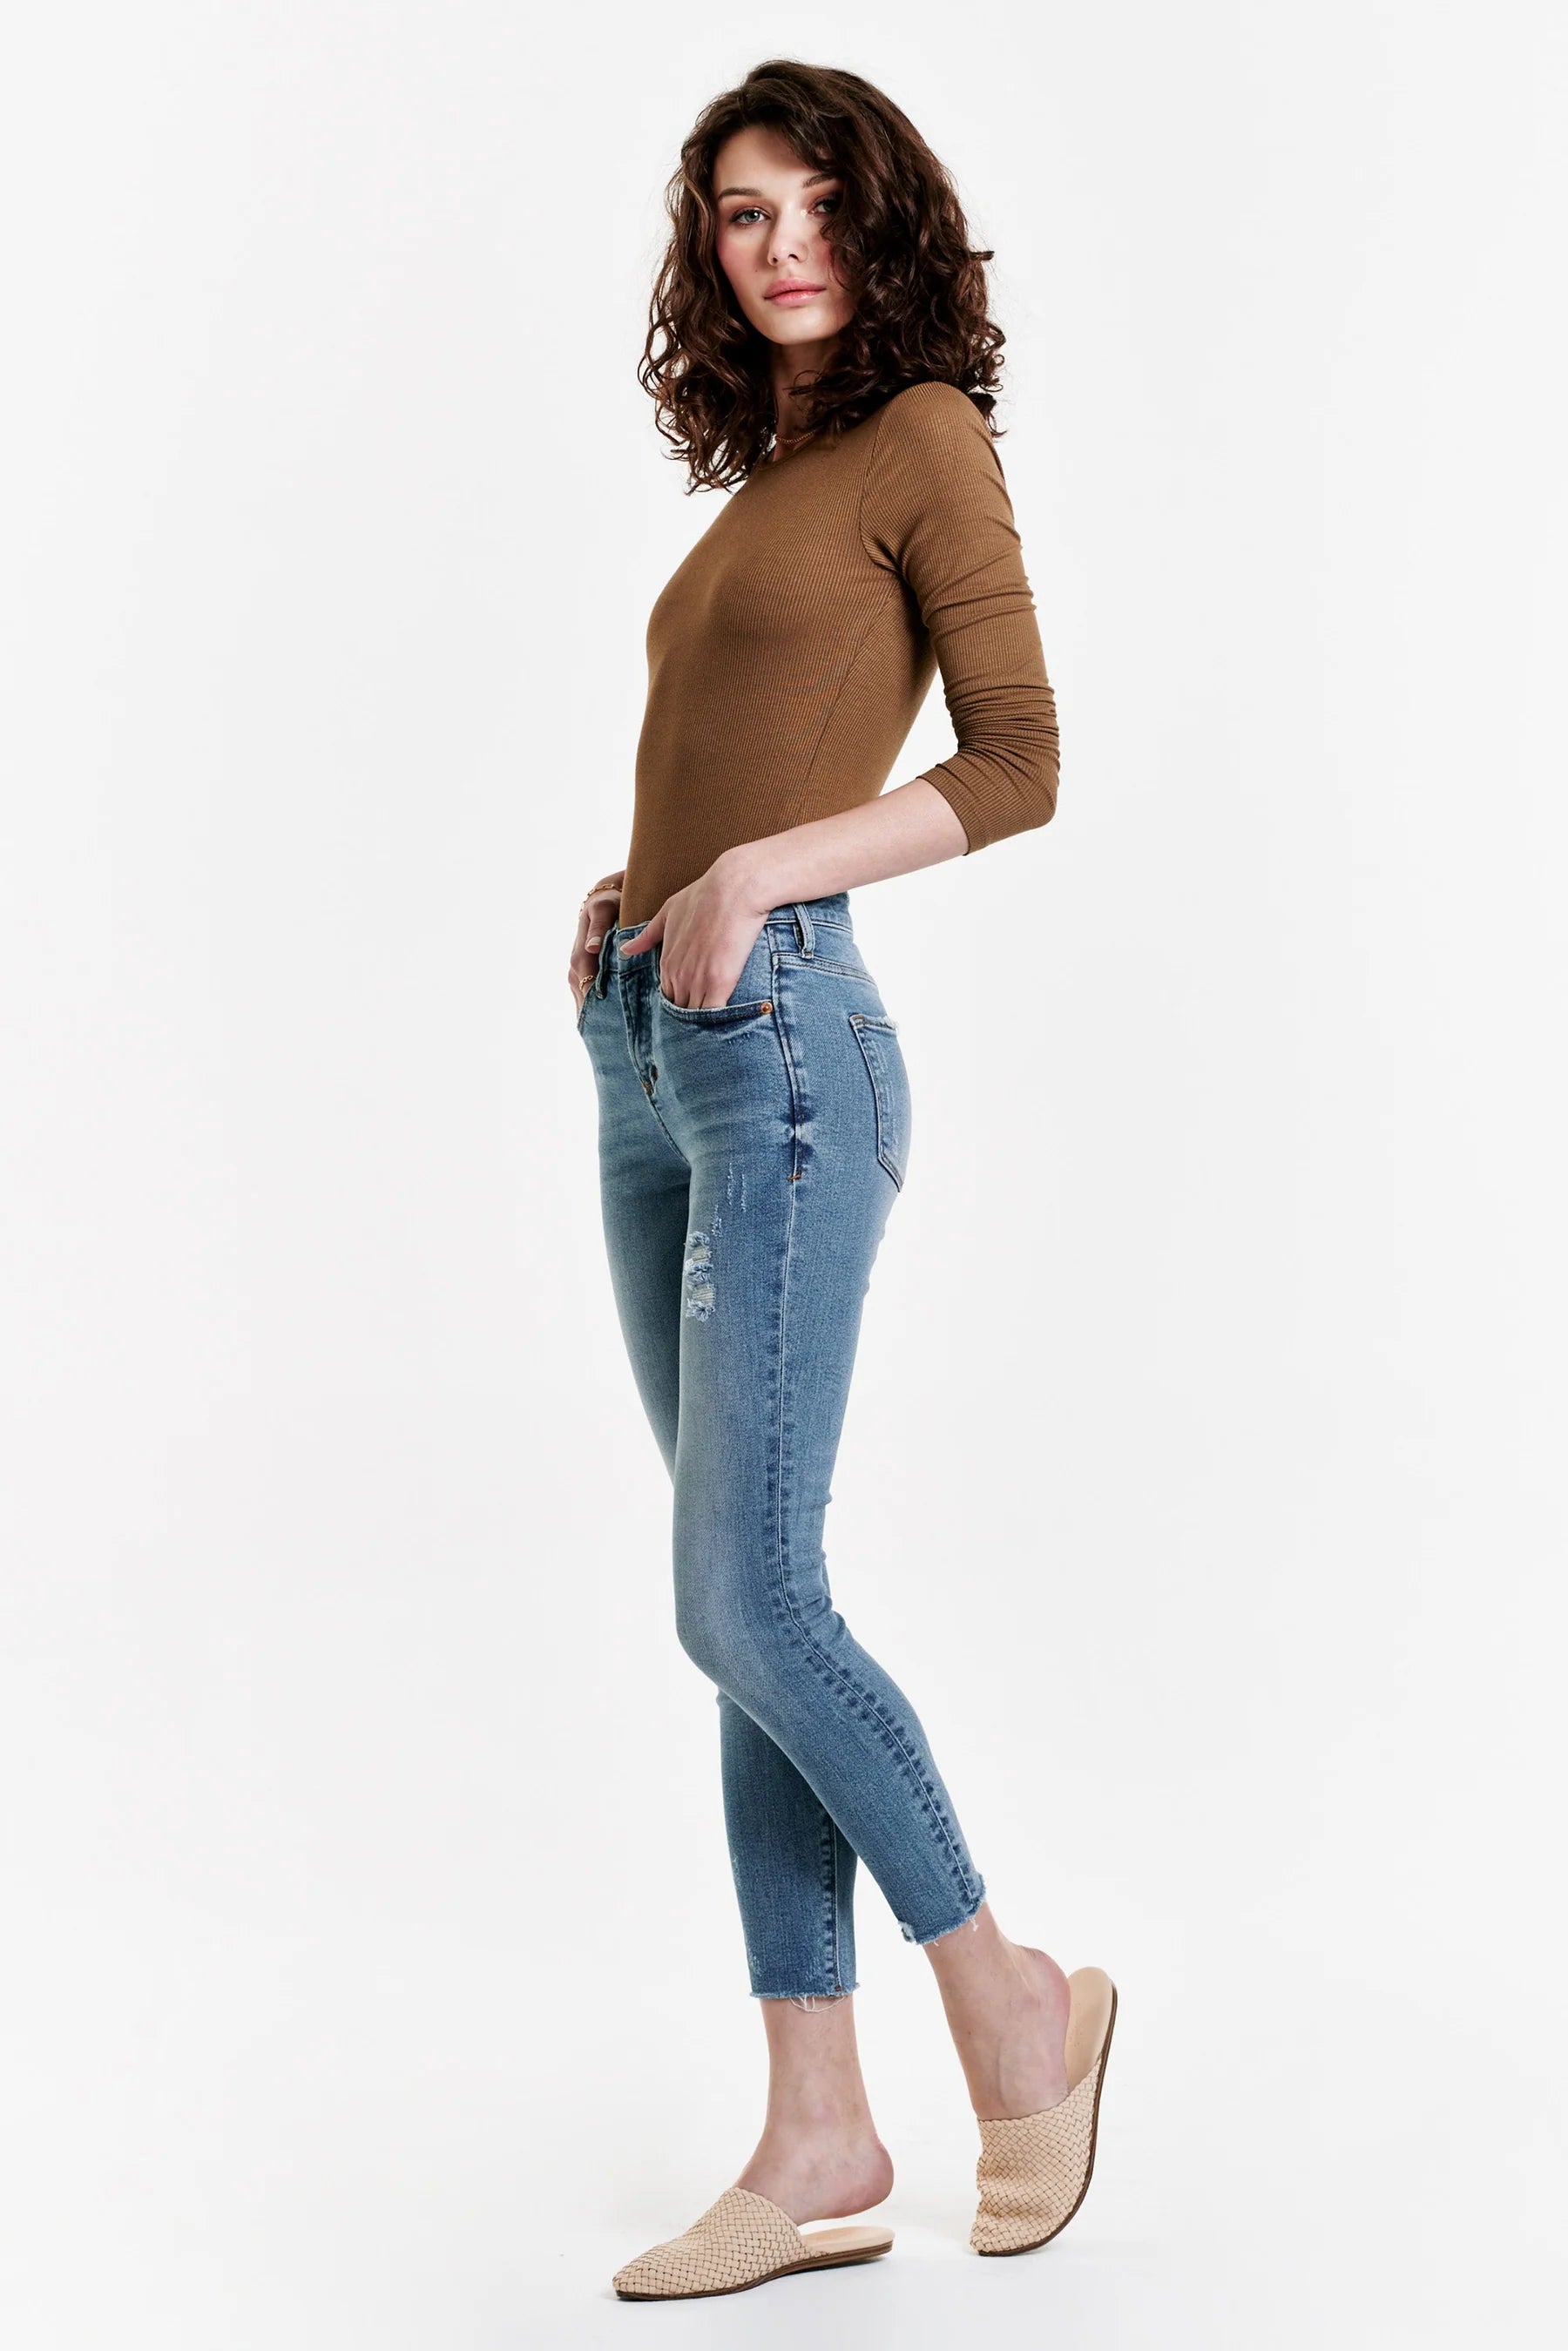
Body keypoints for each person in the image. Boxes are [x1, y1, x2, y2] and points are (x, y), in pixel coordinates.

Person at [567, 60, 1117, 2302]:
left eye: (812, 203)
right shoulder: (777, 478)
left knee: (745, 1597)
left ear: (880, 221)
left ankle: (1012, 2002)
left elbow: (1022, 761)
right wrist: (640, 889)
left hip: (789, 1052)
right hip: (652, 1040)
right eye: (738, 211)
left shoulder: (923, 439)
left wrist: (764, 869)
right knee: (748, 1609)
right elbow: (724, 759)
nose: (777, 242)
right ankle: (817, 2132)